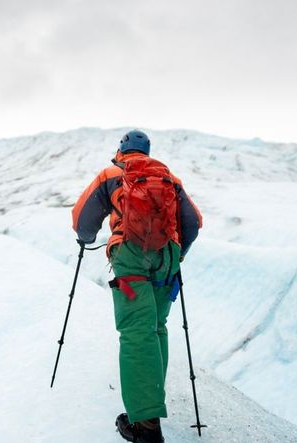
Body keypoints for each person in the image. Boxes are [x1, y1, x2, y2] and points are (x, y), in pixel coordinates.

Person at [71, 130, 202, 443]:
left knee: (136, 331)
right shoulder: (169, 178)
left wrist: (85, 240)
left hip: (130, 257)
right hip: (167, 258)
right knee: (157, 326)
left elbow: (82, 219)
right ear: (147, 151)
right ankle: (152, 397)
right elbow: (194, 222)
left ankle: (144, 424)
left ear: (121, 150)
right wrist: (176, 253)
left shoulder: (112, 174)